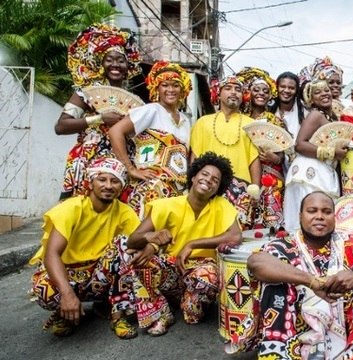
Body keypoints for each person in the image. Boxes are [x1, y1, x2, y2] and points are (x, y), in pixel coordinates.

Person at [246, 191, 353, 359]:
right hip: (296, 326)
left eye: (326, 212)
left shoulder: (349, 242)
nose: (319, 216)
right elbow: (256, 263)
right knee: (274, 284)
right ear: (300, 216)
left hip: (347, 326)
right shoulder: (283, 246)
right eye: (312, 211)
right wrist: (311, 281)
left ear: (334, 217)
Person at [116, 152, 242, 335]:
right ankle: (161, 313)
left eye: (215, 180)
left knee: (194, 312)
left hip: (200, 270)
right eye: (204, 174)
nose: (208, 180)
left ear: (218, 188)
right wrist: (151, 237)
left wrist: (192, 244)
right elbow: (133, 239)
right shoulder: (167, 205)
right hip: (171, 267)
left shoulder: (221, 205)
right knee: (135, 256)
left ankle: (187, 301)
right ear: (193, 176)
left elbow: (235, 236)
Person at [29, 158, 140, 338]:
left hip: (97, 275)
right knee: (44, 290)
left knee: (127, 244)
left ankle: (117, 314)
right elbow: (51, 255)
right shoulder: (70, 208)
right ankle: (64, 313)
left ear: (121, 187)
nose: (108, 186)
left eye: (115, 181)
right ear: (91, 182)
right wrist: (66, 294)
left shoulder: (125, 212)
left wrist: (152, 240)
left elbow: (138, 242)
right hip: (67, 274)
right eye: (102, 179)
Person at [56, 23, 142, 199]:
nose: (115, 65)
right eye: (109, 59)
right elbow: (61, 126)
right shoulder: (86, 92)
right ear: (100, 63)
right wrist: (100, 119)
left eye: (120, 60)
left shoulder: (130, 99)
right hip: (88, 161)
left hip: (121, 162)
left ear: (128, 65)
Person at [109, 61, 192, 218]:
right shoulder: (151, 110)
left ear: (182, 89)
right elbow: (115, 132)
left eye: (175, 85)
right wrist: (131, 169)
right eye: (165, 85)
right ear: (156, 88)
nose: (170, 90)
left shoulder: (186, 121)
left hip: (178, 191)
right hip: (151, 189)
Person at [191, 76, 261, 229]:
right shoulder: (203, 122)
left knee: (236, 236)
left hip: (241, 189)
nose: (234, 93)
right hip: (208, 185)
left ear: (244, 96)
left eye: (238, 89)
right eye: (228, 88)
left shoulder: (251, 125)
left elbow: (254, 159)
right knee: (205, 229)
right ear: (218, 93)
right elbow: (195, 157)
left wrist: (256, 189)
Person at [282, 80, 347, 232]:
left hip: (322, 169)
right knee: (309, 218)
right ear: (310, 100)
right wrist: (333, 153)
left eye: (326, 90)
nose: (324, 93)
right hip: (310, 173)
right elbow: (300, 144)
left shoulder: (331, 117)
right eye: (318, 92)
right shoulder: (315, 115)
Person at [236, 67, 287, 230]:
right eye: (256, 90)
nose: (261, 93)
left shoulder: (275, 120)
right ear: (248, 93)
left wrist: (275, 158)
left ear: (270, 95)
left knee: (271, 221)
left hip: (270, 178)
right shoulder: (240, 120)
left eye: (265, 91)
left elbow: (284, 151)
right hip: (245, 175)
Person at [269, 71, 306, 141]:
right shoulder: (268, 109)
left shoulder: (305, 113)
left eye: (291, 88)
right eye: (282, 87)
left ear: (296, 90)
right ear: (276, 88)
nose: (286, 90)